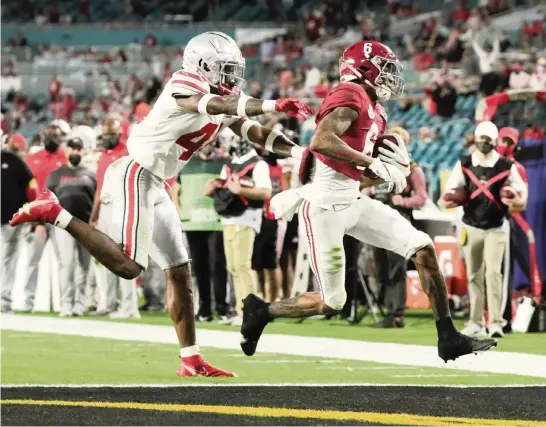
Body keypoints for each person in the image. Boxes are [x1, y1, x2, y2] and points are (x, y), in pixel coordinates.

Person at [10, 31, 312, 377]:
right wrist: (273, 104)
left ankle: (191, 359)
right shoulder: (184, 84)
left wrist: (300, 151)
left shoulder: (224, 94)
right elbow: (215, 106)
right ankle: (55, 212)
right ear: (202, 66)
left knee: (180, 271)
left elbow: (251, 129)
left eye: (233, 69)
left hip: (156, 181)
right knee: (129, 267)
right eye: (225, 69)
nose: (231, 77)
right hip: (135, 173)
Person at [238, 40, 498, 363]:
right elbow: (321, 141)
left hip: (353, 200)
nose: (391, 78)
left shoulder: (377, 109)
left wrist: (391, 172)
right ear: (364, 68)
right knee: (332, 302)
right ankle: (262, 311)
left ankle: (447, 336)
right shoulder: (351, 94)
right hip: (323, 209)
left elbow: (352, 172)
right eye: (386, 69)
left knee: (423, 247)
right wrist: (374, 163)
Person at [440, 121, 527, 338]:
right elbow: (449, 190)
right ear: (476, 139)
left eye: (488, 139)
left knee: (494, 274)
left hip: (496, 226)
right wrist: (452, 198)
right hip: (471, 224)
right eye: (481, 138)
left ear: (495, 141)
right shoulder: (465, 163)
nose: (484, 143)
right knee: (474, 275)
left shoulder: (507, 165)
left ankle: (496, 322)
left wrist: (515, 199)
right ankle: (475, 321)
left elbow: (522, 194)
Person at [205, 131, 272, 325]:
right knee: (233, 267)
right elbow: (225, 193)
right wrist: (212, 191)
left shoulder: (258, 164)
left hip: (246, 217)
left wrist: (240, 190)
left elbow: (266, 192)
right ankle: (241, 310)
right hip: (229, 218)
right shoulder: (231, 164)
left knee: (243, 265)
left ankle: (252, 311)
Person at [370, 126, 427, 328]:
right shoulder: (377, 166)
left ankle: (397, 314)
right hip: (377, 222)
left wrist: (403, 201)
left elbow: (422, 197)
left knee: (396, 268)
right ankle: (388, 310)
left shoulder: (412, 168)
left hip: (398, 222)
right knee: (381, 267)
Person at [19, 120, 69, 311]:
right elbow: (26, 188)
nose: (52, 138)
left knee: (64, 261)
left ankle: (66, 303)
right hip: (35, 219)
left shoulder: (66, 158)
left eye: (56, 135)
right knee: (32, 260)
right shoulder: (33, 158)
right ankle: (28, 301)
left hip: (59, 217)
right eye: (50, 134)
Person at [45, 136, 96, 316]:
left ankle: (80, 304)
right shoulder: (56, 174)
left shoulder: (92, 173)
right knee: (67, 264)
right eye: (72, 148)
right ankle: (66, 303)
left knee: (84, 266)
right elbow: (47, 199)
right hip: (63, 225)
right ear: (67, 151)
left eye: (78, 148)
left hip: (86, 225)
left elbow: (98, 200)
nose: (75, 151)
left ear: (83, 151)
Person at [1, 148, 37, 312]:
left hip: (12, 221)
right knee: (7, 260)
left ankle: (4, 300)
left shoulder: (13, 160)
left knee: (8, 260)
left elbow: (31, 186)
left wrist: (32, 211)